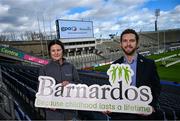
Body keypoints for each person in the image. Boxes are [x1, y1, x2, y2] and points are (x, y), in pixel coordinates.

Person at [107, 29, 161, 120]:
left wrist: (152, 106)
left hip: (142, 114)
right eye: (125, 41)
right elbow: (112, 90)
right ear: (121, 44)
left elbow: (156, 87)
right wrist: (107, 106)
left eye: (131, 40)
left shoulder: (149, 64)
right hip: (120, 115)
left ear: (137, 43)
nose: (128, 44)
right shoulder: (114, 65)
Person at [39, 39, 80, 120]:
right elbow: (40, 91)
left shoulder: (71, 67)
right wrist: (48, 103)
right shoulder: (44, 69)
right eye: (53, 50)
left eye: (58, 50)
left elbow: (79, 84)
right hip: (53, 115)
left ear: (62, 51)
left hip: (71, 113)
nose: (56, 53)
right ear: (50, 52)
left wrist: (70, 84)